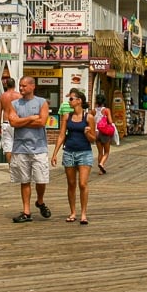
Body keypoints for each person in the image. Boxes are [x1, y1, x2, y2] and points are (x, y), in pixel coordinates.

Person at [7, 76, 50, 223]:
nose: (21, 88)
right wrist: (31, 118)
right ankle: (26, 211)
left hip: (39, 147)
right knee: (24, 180)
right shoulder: (14, 103)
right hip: (20, 147)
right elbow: (12, 121)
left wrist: (22, 122)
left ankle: (40, 200)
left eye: (24, 86)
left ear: (32, 86)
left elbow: (42, 122)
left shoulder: (42, 102)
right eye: (20, 85)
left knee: (41, 179)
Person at [50, 88, 96, 224]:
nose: (69, 101)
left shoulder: (89, 117)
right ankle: (73, 212)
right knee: (71, 184)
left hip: (84, 152)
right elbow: (62, 135)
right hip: (69, 151)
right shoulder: (66, 116)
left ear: (79, 101)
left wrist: (88, 133)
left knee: (82, 183)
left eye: (71, 99)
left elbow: (93, 139)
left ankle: (83, 214)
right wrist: (54, 153)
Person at [0, 77, 20, 163]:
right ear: (15, 85)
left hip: (6, 123)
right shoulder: (19, 96)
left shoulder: (2, 96)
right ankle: (17, 165)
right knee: (18, 145)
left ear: (6, 85)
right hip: (16, 122)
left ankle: (11, 167)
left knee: (8, 147)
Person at [94, 95, 114, 173]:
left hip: (96, 133)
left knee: (100, 152)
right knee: (106, 152)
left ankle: (100, 170)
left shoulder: (93, 111)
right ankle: (102, 164)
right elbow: (110, 121)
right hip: (105, 133)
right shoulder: (106, 110)